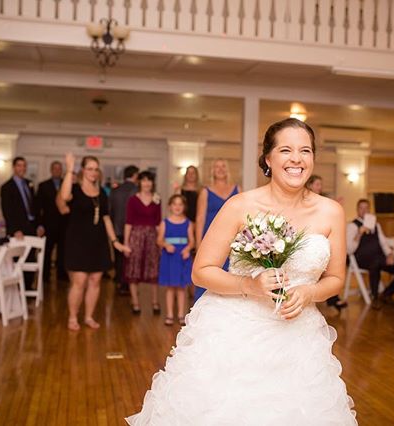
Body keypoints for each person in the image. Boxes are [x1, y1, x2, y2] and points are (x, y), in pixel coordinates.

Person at [127, 118, 356, 425]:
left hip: (298, 339)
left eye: (305, 151)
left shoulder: (331, 211)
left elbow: (336, 279)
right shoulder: (239, 206)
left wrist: (309, 291)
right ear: (268, 159)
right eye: (286, 150)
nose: (297, 159)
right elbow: (201, 271)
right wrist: (251, 284)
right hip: (233, 335)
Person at [57, 153, 130, 331]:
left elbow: (106, 219)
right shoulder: (74, 188)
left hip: (98, 241)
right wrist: (69, 170)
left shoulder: (102, 194)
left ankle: (88, 316)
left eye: (96, 169)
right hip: (78, 240)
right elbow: (64, 197)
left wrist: (115, 242)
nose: (93, 172)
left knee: (96, 280)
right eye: (89, 168)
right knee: (79, 281)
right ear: (82, 170)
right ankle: (73, 317)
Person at [193, 159, 240, 302]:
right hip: (211, 241)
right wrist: (198, 245)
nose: (220, 169)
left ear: (228, 170)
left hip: (234, 242)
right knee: (208, 275)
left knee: (231, 277)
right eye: (217, 167)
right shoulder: (205, 192)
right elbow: (200, 219)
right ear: (212, 171)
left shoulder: (238, 189)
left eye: (223, 166)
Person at [347, 198, 394, 310]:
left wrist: (390, 254)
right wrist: (359, 233)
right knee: (375, 262)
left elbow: (383, 243)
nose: (363, 210)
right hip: (361, 259)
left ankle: (387, 293)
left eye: (366, 208)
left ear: (369, 210)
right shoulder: (352, 226)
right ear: (357, 210)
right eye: (361, 208)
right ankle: (375, 297)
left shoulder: (376, 225)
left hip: (379, 258)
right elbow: (349, 249)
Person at [0, 156, 45, 290]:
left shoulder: (29, 184)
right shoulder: (7, 187)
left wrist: (40, 225)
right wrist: (14, 230)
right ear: (14, 167)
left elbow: (36, 207)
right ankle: (16, 288)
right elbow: (7, 211)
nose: (22, 168)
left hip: (31, 227)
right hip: (18, 230)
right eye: (19, 166)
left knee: (31, 257)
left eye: (24, 166)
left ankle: (28, 287)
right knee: (18, 259)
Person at [306, 174, 348, 311]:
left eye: (321, 184)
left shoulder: (324, 201)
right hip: (308, 236)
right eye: (317, 184)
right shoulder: (304, 199)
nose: (320, 187)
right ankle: (332, 299)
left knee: (329, 269)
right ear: (310, 185)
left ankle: (332, 298)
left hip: (323, 239)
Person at [124, 171, 162, 314]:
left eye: (149, 180)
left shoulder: (157, 199)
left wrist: (161, 239)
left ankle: (155, 302)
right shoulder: (133, 200)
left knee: (153, 270)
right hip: (136, 237)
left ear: (152, 183)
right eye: (144, 180)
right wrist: (126, 243)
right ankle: (135, 302)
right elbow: (128, 222)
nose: (146, 183)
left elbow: (158, 222)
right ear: (139, 182)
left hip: (152, 237)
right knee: (133, 269)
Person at [157, 194, 194, 326]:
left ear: (184, 207)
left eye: (180, 204)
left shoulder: (188, 223)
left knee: (181, 288)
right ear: (170, 206)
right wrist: (166, 245)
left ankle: (181, 314)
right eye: (174, 204)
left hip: (182, 256)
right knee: (170, 287)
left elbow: (192, 241)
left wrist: (187, 249)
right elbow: (159, 240)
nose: (177, 207)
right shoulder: (164, 223)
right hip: (170, 256)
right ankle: (169, 314)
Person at [109, 165, 139, 294]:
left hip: (116, 229)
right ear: (135, 176)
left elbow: (110, 211)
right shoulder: (137, 191)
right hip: (132, 230)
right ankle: (127, 285)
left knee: (119, 257)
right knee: (130, 259)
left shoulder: (115, 190)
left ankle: (118, 280)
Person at [36, 161, 68, 281]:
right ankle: (45, 276)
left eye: (59, 169)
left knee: (63, 251)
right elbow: (38, 207)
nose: (57, 171)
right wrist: (40, 224)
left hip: (64, 225)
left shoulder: (67, 185)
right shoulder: (43, 186)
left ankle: (62, 274)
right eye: (55, 169)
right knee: (47, 251)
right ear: (51, 170)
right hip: (48, 225)